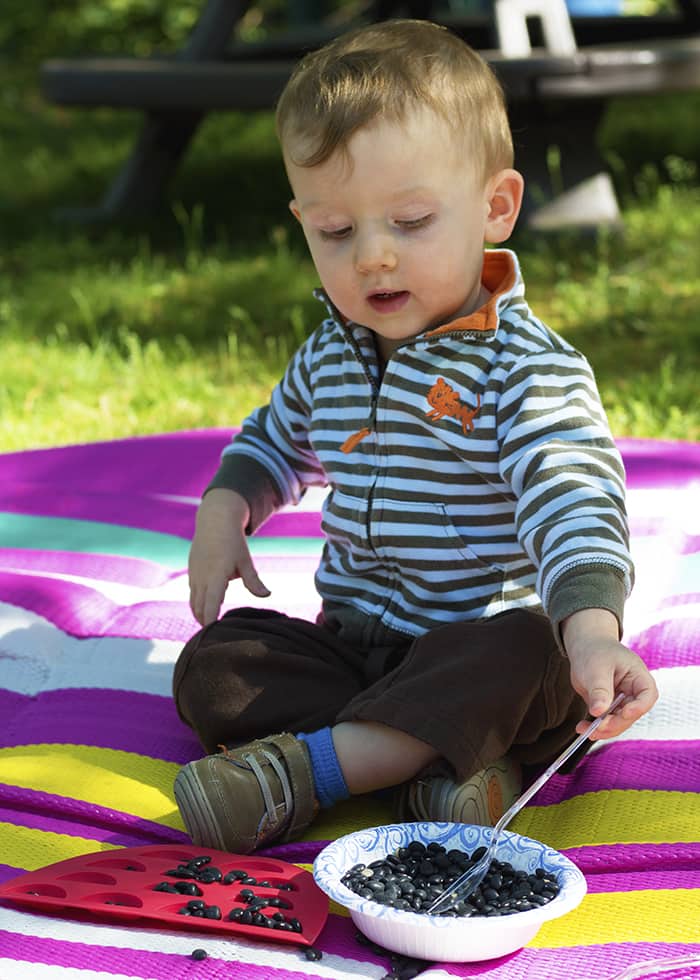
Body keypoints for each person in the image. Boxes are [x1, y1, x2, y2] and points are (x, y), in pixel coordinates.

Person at [172, 19, 658, 855]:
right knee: (215, 665)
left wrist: (590, 633)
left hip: (486, 643)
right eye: (335, 232)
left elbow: (573, 500)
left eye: (411, 221)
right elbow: (276, 442)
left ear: (496, 207)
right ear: (303, 223)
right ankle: (446, 769)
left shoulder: (521, 366)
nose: (373, 259)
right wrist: (226, 506)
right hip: (358, 647)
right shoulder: (332, 352)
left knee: (519, 654)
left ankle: (314, 772)